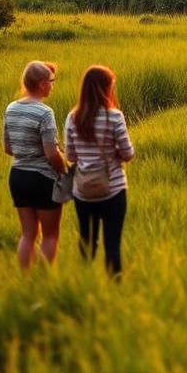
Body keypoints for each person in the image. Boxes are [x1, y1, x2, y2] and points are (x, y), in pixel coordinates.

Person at [64, 66, 134, 275]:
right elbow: (127, 153)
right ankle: (114, 289)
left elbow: (70, 156)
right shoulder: (114, 117)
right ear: (106, 89)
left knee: (87, 243)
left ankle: (85, 285)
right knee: (112, 245)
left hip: (83, 192)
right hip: (113, 189)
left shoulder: (72, 117)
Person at [3, 61, 65, 269]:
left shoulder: (11, 108)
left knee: (27, 234)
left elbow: (8, 148)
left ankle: (25, 279)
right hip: (42, 179)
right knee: (50, 236)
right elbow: (51, 153)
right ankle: (43, 280)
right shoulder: (45, 113)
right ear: (41, 84)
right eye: (51, 81)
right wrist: (64, 169)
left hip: (18, 176)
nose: (52, 85)